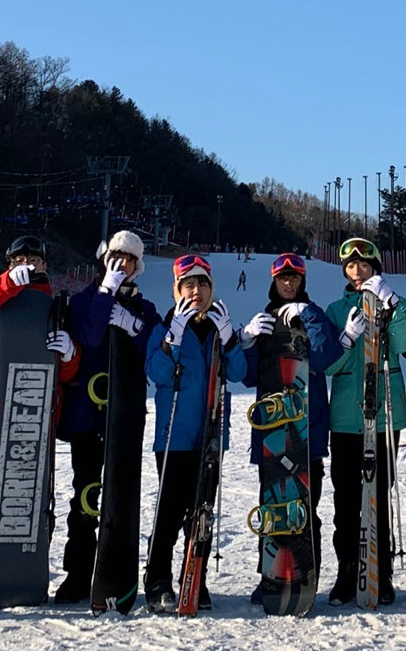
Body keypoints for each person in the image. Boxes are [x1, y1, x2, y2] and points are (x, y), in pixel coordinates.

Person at [0, 235, 80, 604]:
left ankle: (26, 568)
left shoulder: (55, 304)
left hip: (33, 418)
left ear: (45, 265)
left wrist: (70, 354)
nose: (27, 265)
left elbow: (65, 372)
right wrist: (9, 283)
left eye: (34, 260)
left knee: (29, 497)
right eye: (18, 260)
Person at [53, 230, 159, 604]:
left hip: (124, 414)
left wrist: (133, 326)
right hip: (87, 412)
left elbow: (155, 350)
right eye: (116, 257)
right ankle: (77, 574)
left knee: (121, 493)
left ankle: (116, 569)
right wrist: (105, 293)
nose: (122, 264)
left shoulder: (143, 308)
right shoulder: (85, 299)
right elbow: (92, 335)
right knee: (85, 493)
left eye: (128, 260)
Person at [144, 253, 245, 613]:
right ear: (177, 290)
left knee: (200, 512)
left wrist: (231, 337)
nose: (197, 291)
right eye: (189, 285)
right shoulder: (165, 326)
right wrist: (172, 338)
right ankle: (157, 580)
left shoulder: (216, 327)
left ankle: (195, 577)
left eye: (203, 284)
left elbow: (238, 372)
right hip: (174, 435)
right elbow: (155, 371)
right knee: (170, 512)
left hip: (210, 434)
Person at [238, 252, 337, 603]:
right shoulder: (265, 319)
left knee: (305, 506)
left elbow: (326, 356)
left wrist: (308, 316)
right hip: (272, 433)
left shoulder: (315, 314)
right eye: (283, 277)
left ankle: (304, 573)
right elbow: (247, 376)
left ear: (303, 281)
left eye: (294, 278)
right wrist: (247, 340)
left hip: (306, 434)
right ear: (274, 280)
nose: (289, 283)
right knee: (274, 506)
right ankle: (272, 574)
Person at [324, 236, 406, 606]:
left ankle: (381, 571)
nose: (357, 272)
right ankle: (347, 570)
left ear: (376, 268)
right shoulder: (335, 308)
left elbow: (404, 344)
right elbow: (327, 364)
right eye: (350, 266)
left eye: (364, 265)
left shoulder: (395, 303)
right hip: (346, 416)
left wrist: (391, 305)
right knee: (346, 500)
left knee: (377, 496)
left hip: (383, 412)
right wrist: (346, 339)